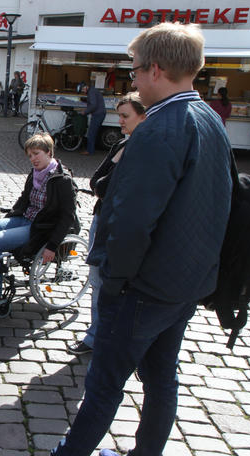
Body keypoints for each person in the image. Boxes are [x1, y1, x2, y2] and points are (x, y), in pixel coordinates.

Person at [3, 22, 233, 456]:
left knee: (105, 382)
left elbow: (132, 222)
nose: (132, 82)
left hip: (143, 286)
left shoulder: (160, 128)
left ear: (156, 69)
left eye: (134, 71)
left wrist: (115, 279)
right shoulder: (208, 118)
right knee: (161, 380)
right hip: (184, 282)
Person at [0, 133, 77, 304]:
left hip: (41, 229)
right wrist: (8, 219)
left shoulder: (62, 180)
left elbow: (67, 216)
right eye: (30, 155)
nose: (33, 159)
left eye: (36, 153)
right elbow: (24, 198)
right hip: (24, 219)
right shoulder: (35, 173)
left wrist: (53, 246)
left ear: (49, 152)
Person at [68, 92, 146, 356]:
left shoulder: (141, 152)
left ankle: (105, 337)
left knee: (111, 283)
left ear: (143, 117)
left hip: (120, 225)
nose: (120, 121)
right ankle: (96, 335)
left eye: (125, 116)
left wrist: (107, 180)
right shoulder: (120, 146)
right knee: (97, 280)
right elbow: (95, 183)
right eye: (119, 115)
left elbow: (105, 185)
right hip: (102, 218)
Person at [79, 82, 106, 155]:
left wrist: (85, 112)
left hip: (98, 114)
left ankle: (89, 151)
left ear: (86, 87)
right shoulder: (92, 90)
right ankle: (91, 149)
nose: (83, 92)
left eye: (83, 90)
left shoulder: (91, 92)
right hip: (100, 113)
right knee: (93, 132)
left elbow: (93, 105)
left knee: (91, 133)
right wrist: (85, 100)